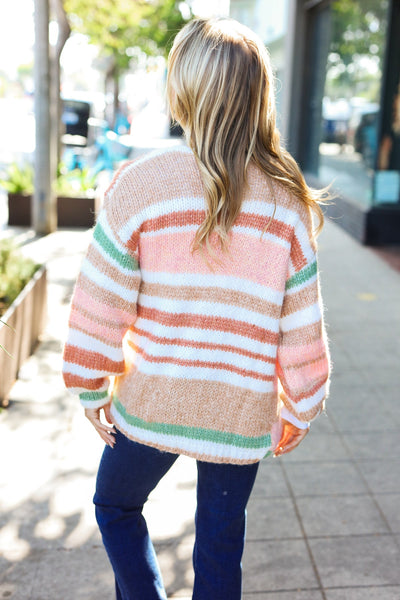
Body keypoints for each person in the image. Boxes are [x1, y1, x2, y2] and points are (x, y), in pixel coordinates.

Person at [62, 17, 330, 600]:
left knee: (115, 505)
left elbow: (101, 298)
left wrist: (90, 385)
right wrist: (302, 404)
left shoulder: (139, 186)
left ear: (183, 93)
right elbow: (301, 322)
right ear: (257, 97)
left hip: (153, 399)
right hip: (239, 409)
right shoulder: (285, 200)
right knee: (219, 544)